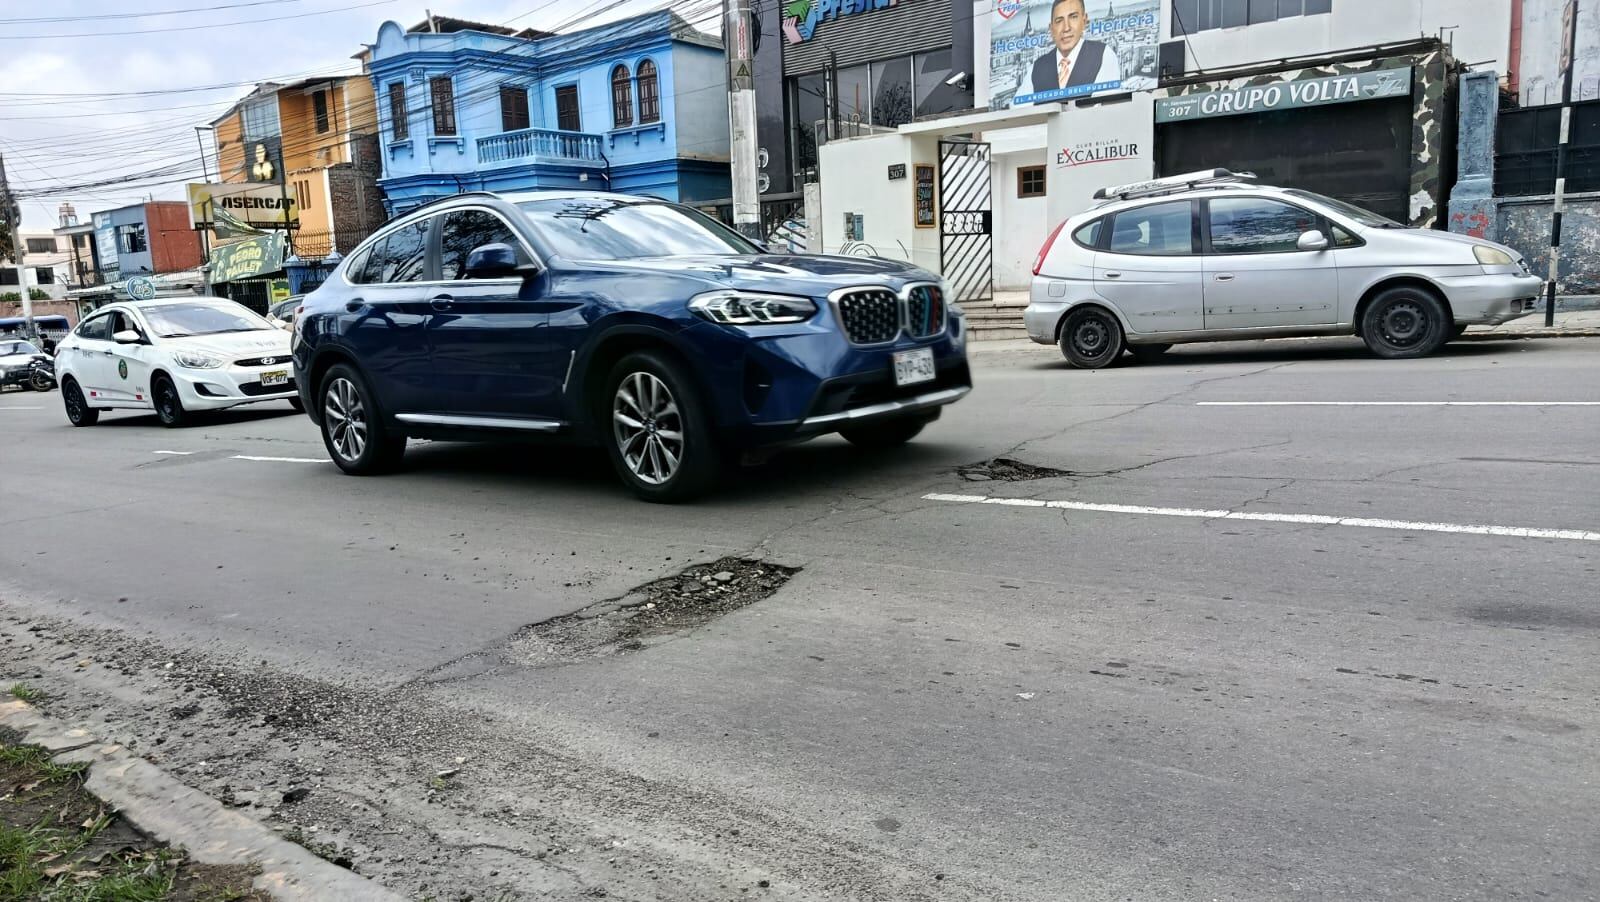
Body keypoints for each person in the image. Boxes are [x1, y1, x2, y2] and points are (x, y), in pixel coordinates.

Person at [1018, 0, 1123, 100]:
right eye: (1059, 21)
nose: (1066, 28)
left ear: (1084, 21)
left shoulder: (1103, 54)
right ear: (1051, 28)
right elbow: (1018, 111)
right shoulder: (1037, 68)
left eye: (1073, 17)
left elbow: (1105, 108)